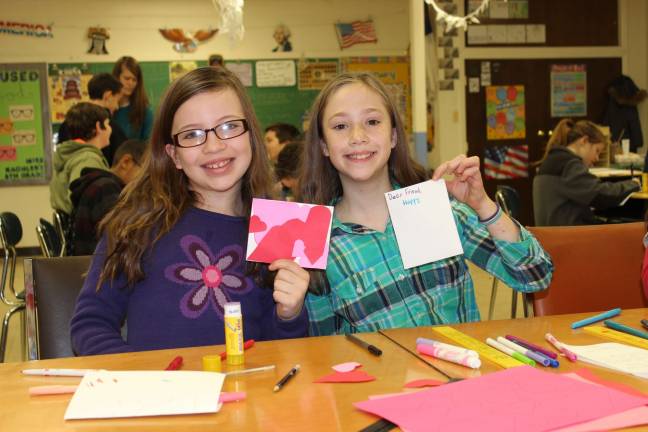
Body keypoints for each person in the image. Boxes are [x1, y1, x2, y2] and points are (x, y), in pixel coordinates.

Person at [70, 67, 309, 355]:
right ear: (174, 155)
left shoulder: (277, 228)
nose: (214, 146)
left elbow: (281, 354)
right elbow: (90, 324)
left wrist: (289, 313)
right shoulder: (138, 224)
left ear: (251, 136)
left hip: (246, 394)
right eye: (193, 134)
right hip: (157, 395)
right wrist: (139, 382)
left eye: (229, 126)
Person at [298, 73, 553, 335]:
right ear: (324, 146)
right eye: (340, 126)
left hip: (463, 372)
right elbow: (323, 346)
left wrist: (484, 205)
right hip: (385, 376)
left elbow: (535, 276)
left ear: (394, 136)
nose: (358, 136)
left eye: (372, 121)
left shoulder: (436, 210)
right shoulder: (318, 241)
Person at [533, 118, 640, 226]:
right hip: (569, 237)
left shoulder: (550, 161)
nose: (597, 158)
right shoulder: (569, 165)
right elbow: (601, 194)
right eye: (597, 151)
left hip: (549, 236)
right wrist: (633, 184)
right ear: (584, 141)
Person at [69, 139, 147, 256]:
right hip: (97, 266)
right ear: (126, 162)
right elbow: (120, 239)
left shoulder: (101, 184)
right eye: (145, 172)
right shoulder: (106, 189)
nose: (145, 179)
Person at [50, 102, 112, 215]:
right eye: (108, 124)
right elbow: (85, 201)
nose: (110, 129)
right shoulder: (87, 159)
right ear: (98, 127)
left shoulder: (70, 154)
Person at [57, 73, 128, 165]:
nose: (117, 107)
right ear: (108, 96)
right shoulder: (109, 126)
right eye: (117, 101)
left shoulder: (66, 124)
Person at [112, 56, 154, 140]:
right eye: (127, 78)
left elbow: (148, 145)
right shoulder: (106, 110)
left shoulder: (144, 111)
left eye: (134, 80)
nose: (130, 83)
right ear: (116, 78)